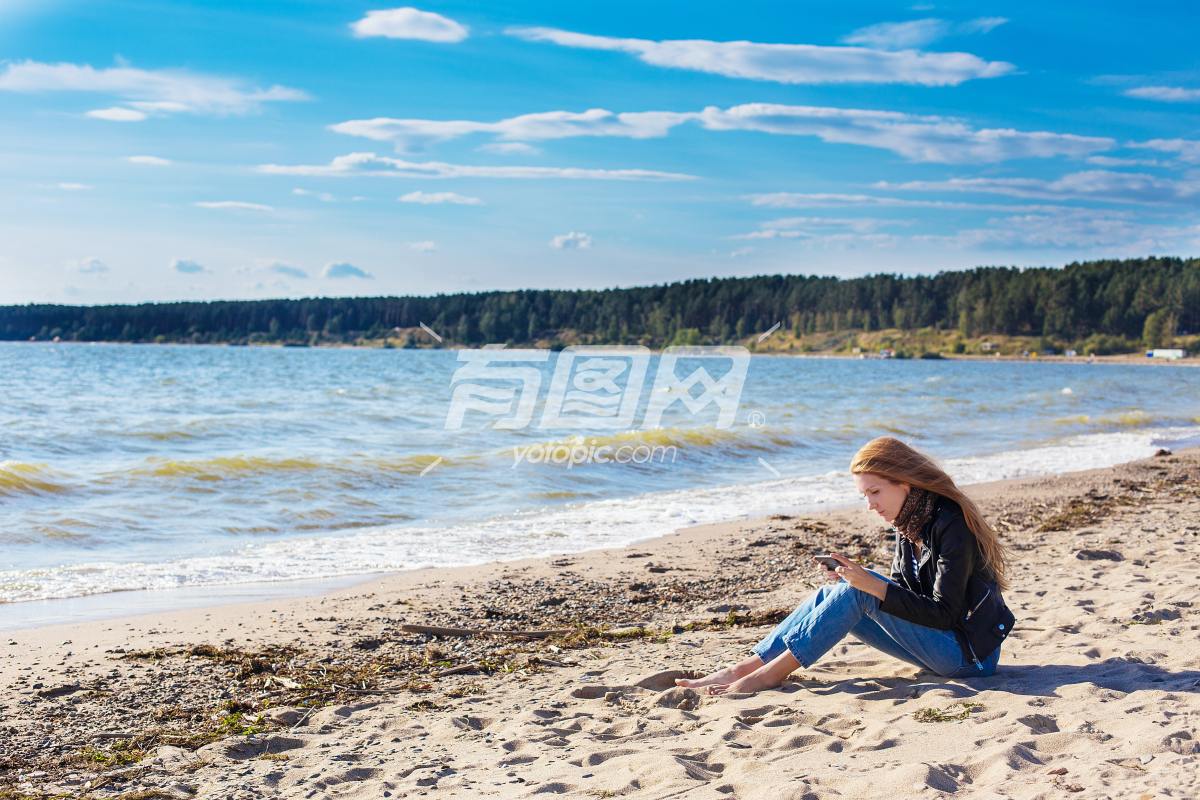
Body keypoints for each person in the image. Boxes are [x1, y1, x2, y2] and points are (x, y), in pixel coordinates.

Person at [677, 436, 1012, 696]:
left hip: (969, 657)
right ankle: (744, 668)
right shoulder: (910, 522)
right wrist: (858, 579)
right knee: (837, 590)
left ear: (905, 483)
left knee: (856, 594)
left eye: (875, 492)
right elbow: (905, 596)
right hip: (938, 645)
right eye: (864, 495)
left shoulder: (951, 524)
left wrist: (869, 586)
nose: (870, 505)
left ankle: (768, 676)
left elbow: (945, 614)